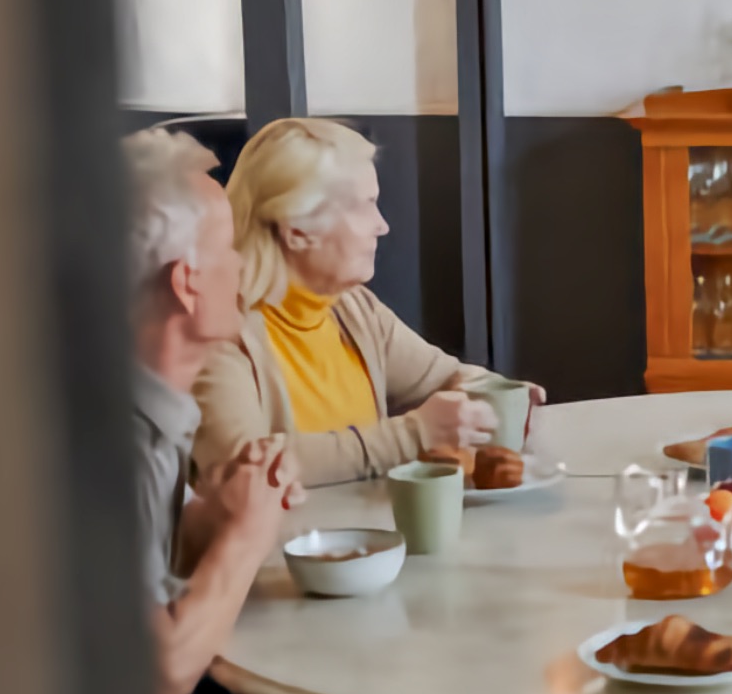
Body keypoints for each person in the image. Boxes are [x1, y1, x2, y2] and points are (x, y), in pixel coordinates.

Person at [127, 128, 635, 694]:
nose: (235, 260)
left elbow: (175, 537)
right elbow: (161, 664)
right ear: (184, 283)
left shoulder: (158, 403)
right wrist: (240, 530)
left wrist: (210, 521)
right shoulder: (135, 419)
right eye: (216, 247)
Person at [194, 117, 533, 486]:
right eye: (365, 206)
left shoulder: (352, 309)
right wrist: (411, 436)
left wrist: (500, 397)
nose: (382, 225)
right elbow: (241, 466)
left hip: (378, 540)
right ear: (296, 229)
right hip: (284, 544)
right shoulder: (216, 330)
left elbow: (445, 377)